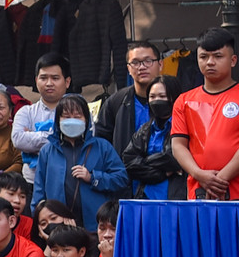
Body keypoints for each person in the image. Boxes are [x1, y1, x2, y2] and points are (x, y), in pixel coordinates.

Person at [168, 26, 239, 200]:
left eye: (217, 56)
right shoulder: (184, 100)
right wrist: (199, 174)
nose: (210, 62)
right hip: (198, 191)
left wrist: (221, 178)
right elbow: (178, 145)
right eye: (204, 56)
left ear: (233, 60)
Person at [29, 92, 128, 230]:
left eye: (77, 116)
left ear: (87, 120)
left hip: (96, 226)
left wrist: (93, 178)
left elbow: (121, 179)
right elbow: (39, 191)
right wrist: (40, 220)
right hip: (59, 228)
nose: (72, 120)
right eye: (66, 116)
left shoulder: (102, 147)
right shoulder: (47, 151)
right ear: (58, 120)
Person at [98, 42, 167, 189]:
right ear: (128, 68)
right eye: (135, 62)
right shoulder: (116, 102)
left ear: (160, 64)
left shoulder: (176, 100)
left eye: (148, 61)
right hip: (125, 184)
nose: (142, 67)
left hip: (166, 183)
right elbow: (101, 142)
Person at [122, 78, 181, 200]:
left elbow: (175, 159)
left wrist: (145, 161)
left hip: (175, 198)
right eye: (152, 97)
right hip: (146, 198)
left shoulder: (183, 127)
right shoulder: (145, 130)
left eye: (162, 96)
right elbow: (129, 163)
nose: (156, 100)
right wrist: (163, 173)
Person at [11, 52, 71, 162]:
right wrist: (61, 137)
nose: (49, 83)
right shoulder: (26, 112)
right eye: (43, 78)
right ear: (36, 81)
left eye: (55, 78)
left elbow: (82, 143)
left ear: (67, 82)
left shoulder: (79, 112)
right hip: (32, 178)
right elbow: (18, 140)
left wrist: (33, 136)